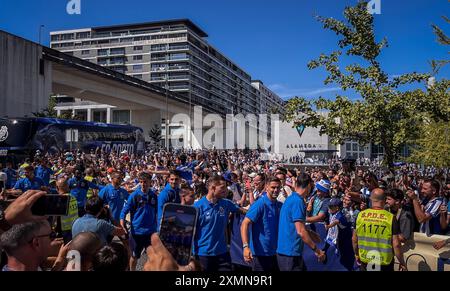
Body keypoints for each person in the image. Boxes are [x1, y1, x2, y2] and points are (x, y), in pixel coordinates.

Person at [193, 175, 246, 271]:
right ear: (212, 188)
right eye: (222, 187)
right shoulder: (197, 207)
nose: (226, 189)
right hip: (203, 254)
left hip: (222, 253)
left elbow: (242, 211)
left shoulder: (226, 203)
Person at [277, 173, 326, 271]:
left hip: (287, 253)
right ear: (308, 185)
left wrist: (310, 232)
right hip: (290, 254)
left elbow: (296, 225)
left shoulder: (292, 198)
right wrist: (317, 251)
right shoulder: (297, 201)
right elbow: (300, 231)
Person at [353, 188, 407, 271]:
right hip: (383, 263)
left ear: (371, 199)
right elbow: (396, 244)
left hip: (365, 260)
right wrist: (402, 262)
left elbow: (354, 240)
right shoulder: (390, 218)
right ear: (384, 200)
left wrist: (357, 254)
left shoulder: (360, 215)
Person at [240, 177, 283, 271]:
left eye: (278, 187)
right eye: (273, 187)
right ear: (267, 187)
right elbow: (245, 224)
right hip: (260, 254)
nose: (276, 190)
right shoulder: (260, 204)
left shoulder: (280, 205)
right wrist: (245, 247)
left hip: (275, 253)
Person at [120, 172, 158, 271]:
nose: (142, 184)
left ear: (150, 182)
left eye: (145, 182)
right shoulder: (134, 195)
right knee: (134, 256)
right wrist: (122, 221)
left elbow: (157, 212)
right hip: (137, 232)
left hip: (150, 232)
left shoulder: (154, 196)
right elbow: (125, 210)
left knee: (152, 257)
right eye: (140, 182)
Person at [322, 198, 355, 271]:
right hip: (339, 243)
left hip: (345, 245)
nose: (329, 208)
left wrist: (328, 226)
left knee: (346, 265)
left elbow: (336, 221)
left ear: (337, 208)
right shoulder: (333, 213)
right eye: (328, 206)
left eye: (331, 207)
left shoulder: (341, 216)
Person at [55, 178, 79, 244]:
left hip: (66, 229)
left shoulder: (59, 200)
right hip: (75, 226)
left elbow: (56, 218)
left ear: (57, 187)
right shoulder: (73, 197)